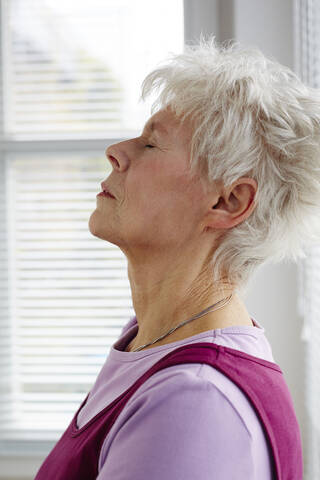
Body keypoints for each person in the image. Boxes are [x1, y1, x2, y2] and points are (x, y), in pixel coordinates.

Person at [34, 35, 320, 480]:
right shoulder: (151, 342)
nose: (116, 151)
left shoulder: (196, 403)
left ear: (228, 202)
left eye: (151, 144)